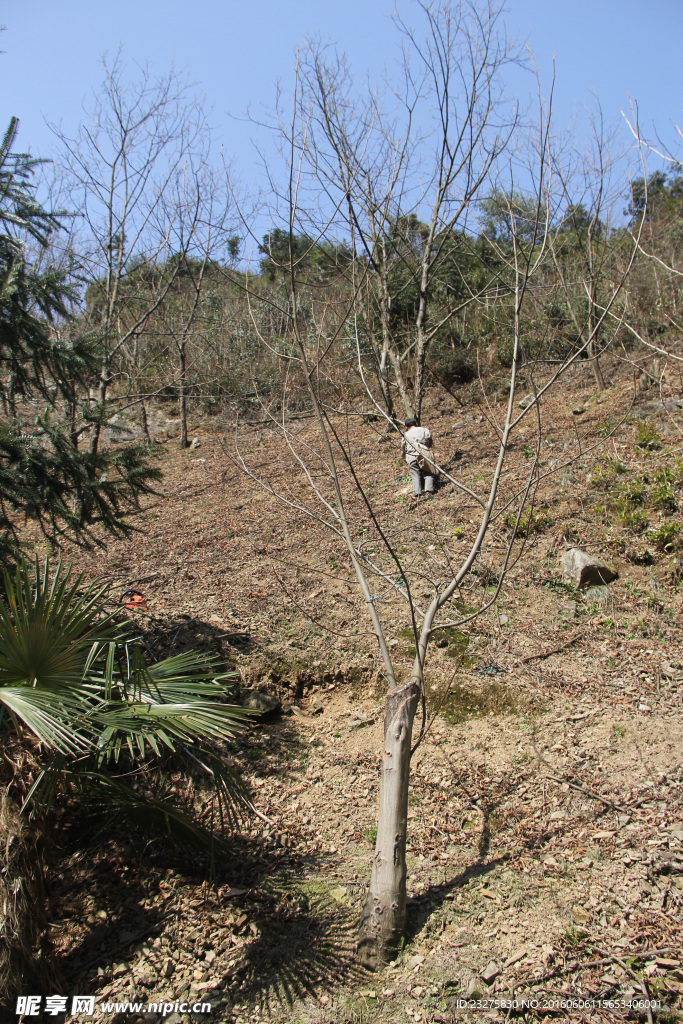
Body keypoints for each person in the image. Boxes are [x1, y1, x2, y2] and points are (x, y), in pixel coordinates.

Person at [401, 417, 437, 497]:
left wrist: (403, 457)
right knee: (428, 471)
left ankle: (417, 493)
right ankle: (429, 490)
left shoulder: (406, 434)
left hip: (411, 455)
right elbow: (429, 440)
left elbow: (403, 448)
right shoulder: (424, 430)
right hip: (423, 453)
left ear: (406, 427)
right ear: (416, 424)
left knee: (415, 474)